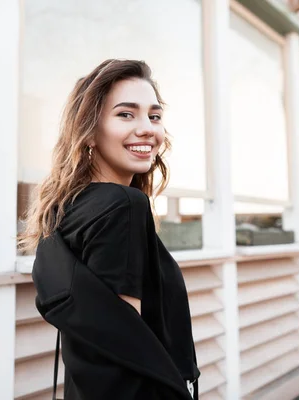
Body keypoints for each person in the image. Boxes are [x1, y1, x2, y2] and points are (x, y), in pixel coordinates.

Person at [20, 59, 200, 400]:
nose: (148, 128)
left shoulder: (68, 210)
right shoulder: (124, 206)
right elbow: (126, 356)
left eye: (154, 115)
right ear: (88, 130)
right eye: (126, 114)